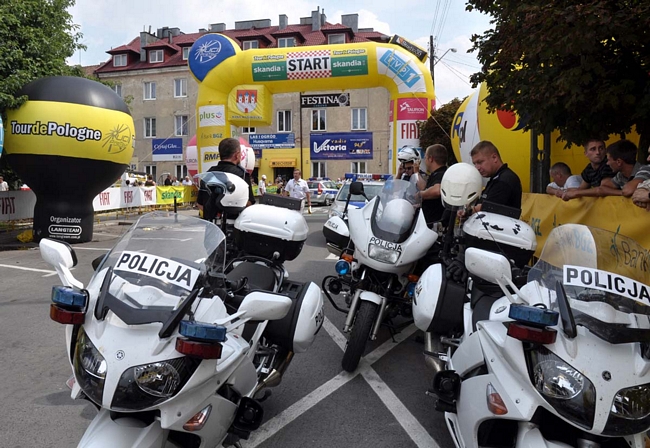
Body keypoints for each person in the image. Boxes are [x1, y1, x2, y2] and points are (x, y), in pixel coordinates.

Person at [565, 140, 650, 200]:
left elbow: (628, 190)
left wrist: (620, 192)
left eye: (608, 160)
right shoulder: (620, 175)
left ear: (619, 162)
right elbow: (603, 187)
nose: (607, 163)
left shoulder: (645, 169)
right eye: (593, 149)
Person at [470, 140, 522, 212]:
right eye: (475, 164)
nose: (477, 167)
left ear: (494, 158)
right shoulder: (495, 179)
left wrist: (469, 210)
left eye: (480, 162)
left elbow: (487, 208)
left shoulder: (504, 180)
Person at [415, 144, 448, 224]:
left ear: (430, 158)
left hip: (435, 225)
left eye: (425, 157)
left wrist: (420, 194)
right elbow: (425, 188)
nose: (425, 160)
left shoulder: (441, 174)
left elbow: (437, 190)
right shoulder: (435, 174)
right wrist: (416, 173)